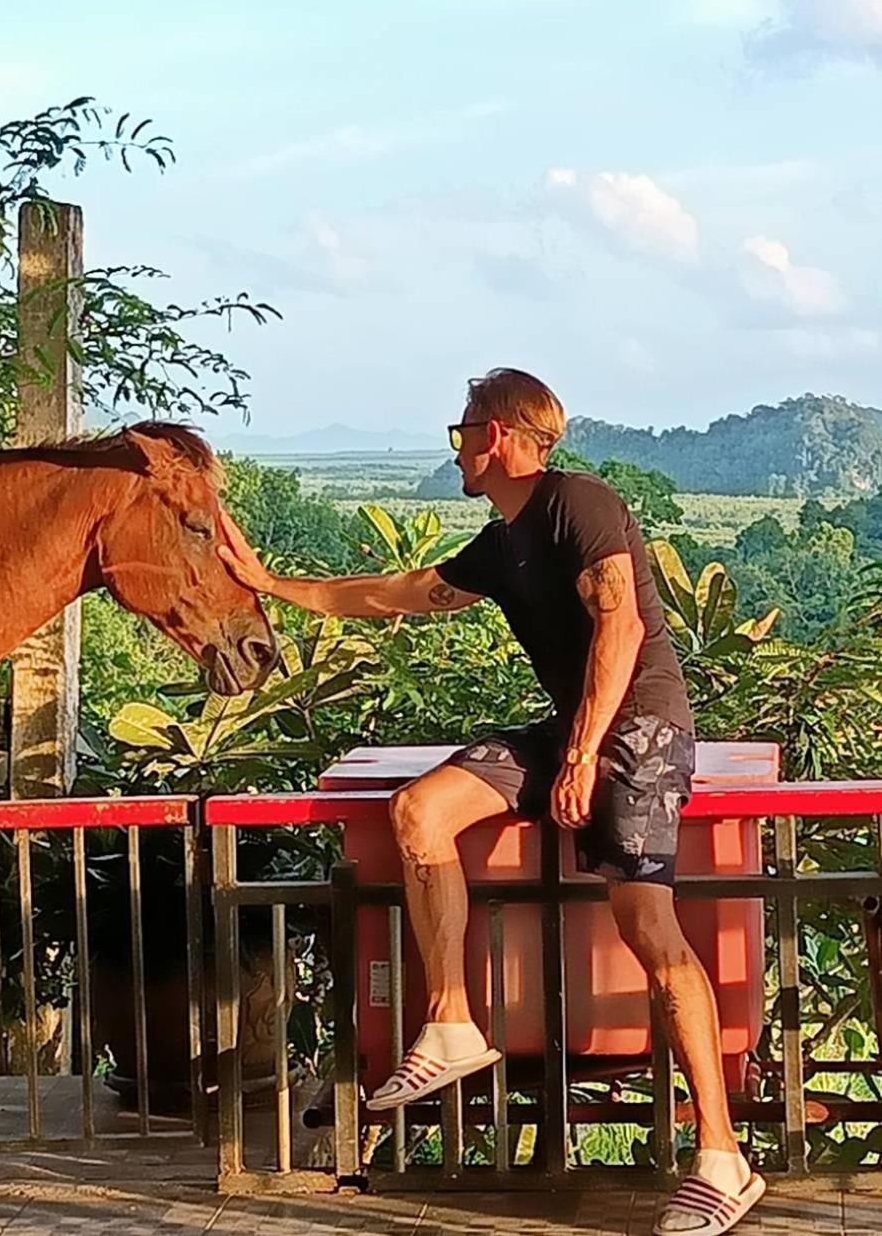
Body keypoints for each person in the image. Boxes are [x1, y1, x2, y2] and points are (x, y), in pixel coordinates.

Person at [218, 368, 765, 1236]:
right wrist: (270, 582)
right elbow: (394, 593)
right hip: (570, 729)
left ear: (503, 434)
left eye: (462, 432)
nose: (459, 448)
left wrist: (584, 754)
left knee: (649, 927)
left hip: (641, 728)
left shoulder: (575, 503)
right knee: (418, 813)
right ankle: (451, 1023)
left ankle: (724, 1155)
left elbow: (619, 630)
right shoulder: (500, 543)